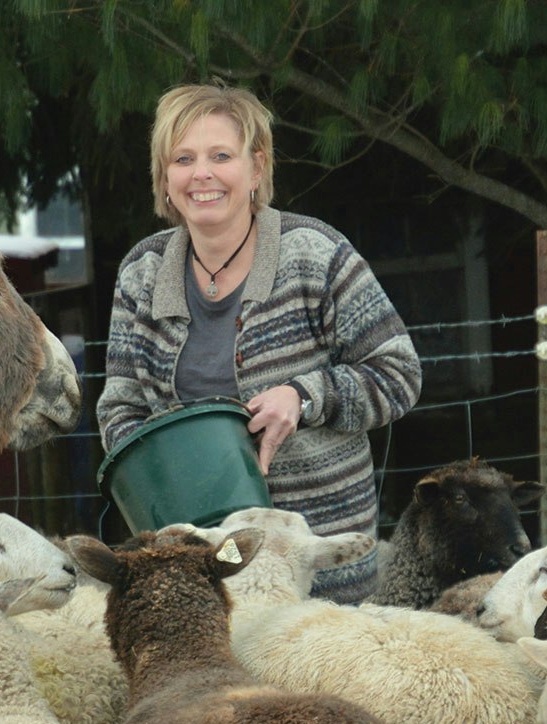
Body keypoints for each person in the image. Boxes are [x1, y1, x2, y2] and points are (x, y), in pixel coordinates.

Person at [96, 81, 421, 603]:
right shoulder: (142, 271)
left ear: (257, 168)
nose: (201, 173)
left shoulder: (314, 254)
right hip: (200, 569)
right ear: (164, 177)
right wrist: (164, 493)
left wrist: (304, 395)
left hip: (318, 565)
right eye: (183, 158)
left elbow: (399, 373)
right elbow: (120, 406)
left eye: (220, 155)